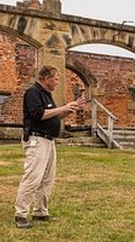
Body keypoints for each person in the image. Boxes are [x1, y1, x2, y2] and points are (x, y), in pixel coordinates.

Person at [14, 65, 86, 229]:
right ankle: (21, 214)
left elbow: (55, 115)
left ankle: (40, 212)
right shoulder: (33, 92)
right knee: (33, 177)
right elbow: (38, 114)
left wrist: (70, 109)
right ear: (46, 78)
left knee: (47, 179)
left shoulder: (47, 95)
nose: (57, 82)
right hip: (36, 140)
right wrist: (62, 107)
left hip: (49, 140)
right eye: (55, 78)